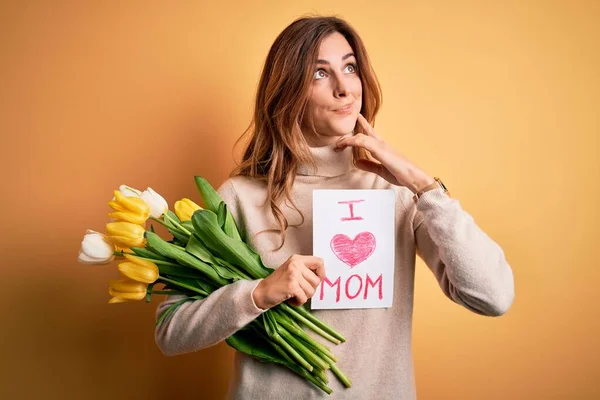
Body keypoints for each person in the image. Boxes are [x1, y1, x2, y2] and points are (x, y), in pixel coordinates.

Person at [155, 15, 515, 400]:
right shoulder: (238, 198)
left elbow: (493, 296)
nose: (345, 88)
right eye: (320, 74)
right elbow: (170, 332)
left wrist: (422, 183)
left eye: (350, 67)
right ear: (288, 90)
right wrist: (258, 293)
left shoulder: (398, 192)